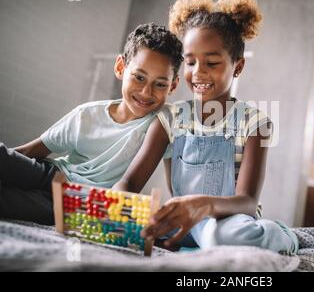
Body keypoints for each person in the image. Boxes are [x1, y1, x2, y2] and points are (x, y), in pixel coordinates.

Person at [114, 0, 299, 255]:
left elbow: (247, 201)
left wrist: (202, 205)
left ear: (238, 66)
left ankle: (283, 236)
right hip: (182, 224)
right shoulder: (169, 118)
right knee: (139, 221)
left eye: (211, 62)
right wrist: (120, 204)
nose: (198, 72)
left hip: (229, 223)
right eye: (190, 62)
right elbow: (130, 183)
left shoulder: (255, 123)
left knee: (217, 235)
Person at [0, 23, 183, 225]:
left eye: (160, 84)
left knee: (9, 202)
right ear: (120, 67)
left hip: (78, 203)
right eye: (139, 77)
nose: (146, 92)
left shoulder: (163, 123)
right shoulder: (86, 115)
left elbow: (163, 186)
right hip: (50, 174)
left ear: (173, 85)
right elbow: (28, 152)